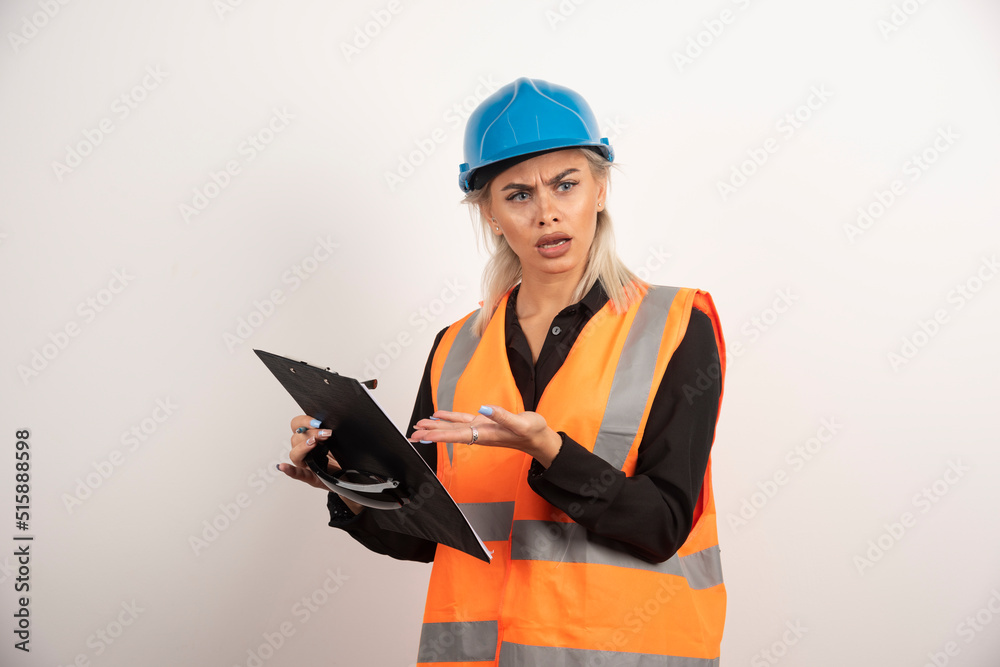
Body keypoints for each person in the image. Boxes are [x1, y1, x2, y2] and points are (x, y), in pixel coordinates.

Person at [278, 77, 726, 666]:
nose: (546, 214)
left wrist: (552, 453)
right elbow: (423, 535)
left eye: (566, 185)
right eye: (517, 195)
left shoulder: (675, 324)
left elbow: (664, 525)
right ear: (488, 212)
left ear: (599, 189)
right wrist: (347, 486)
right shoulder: (456, 347)